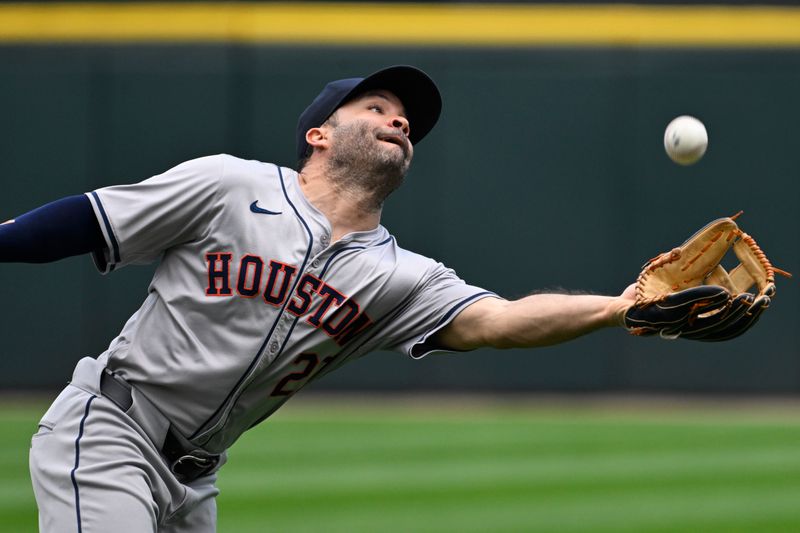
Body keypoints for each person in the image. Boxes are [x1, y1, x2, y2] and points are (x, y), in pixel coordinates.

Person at [6, 65, 638, 532]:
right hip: (112, 430)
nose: (400, 121)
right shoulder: (232, 185)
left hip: (196, 481)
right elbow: (85, 221)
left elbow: (501, 320)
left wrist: (619, 307)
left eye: (406, 121)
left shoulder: (400, 278)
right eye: (378, 107)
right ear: (320, 135)